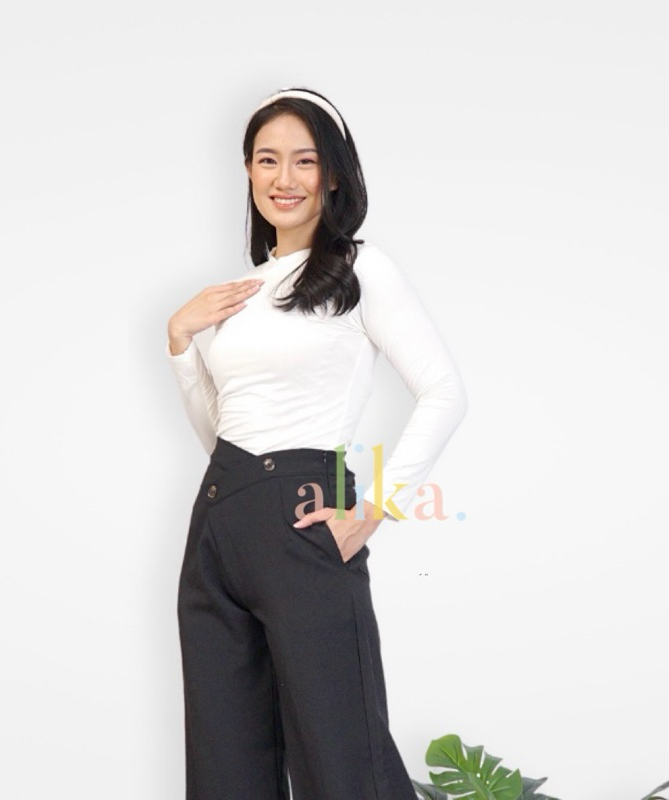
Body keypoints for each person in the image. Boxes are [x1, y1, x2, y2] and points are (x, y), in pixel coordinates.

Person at [165, 87, 468, 800]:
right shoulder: (240, 292)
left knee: (342, 757)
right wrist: (181, 341)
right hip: (219, 517)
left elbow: (444, 392)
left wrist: (372, 512)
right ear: (247, 170)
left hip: (303, 518)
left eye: (304, 161)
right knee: (225, 766)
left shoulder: (359, 268)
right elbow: (222, 431)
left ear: (332, 173)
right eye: (267, 160)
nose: (284, 178)